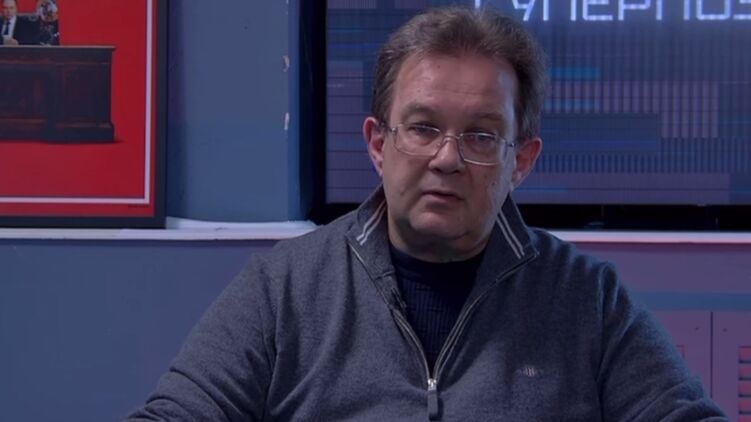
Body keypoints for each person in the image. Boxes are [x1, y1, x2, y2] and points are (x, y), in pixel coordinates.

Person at [128, 7, 726, 421]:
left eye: (481, 136)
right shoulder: (283, 289)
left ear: (521, 161)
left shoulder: (586, 299)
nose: (447, 159)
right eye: (422, 128)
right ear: (377, 143)